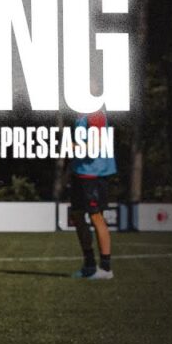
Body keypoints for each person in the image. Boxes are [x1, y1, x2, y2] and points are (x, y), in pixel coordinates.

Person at [68, 112, 116, 279]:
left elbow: (97, 146)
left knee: (96, 217)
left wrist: (71, 146)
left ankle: (105, 268)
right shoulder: (79, 116)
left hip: (93, 175)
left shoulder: (95, 114)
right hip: (79, 173)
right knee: (77, 216)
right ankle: (89, 265)